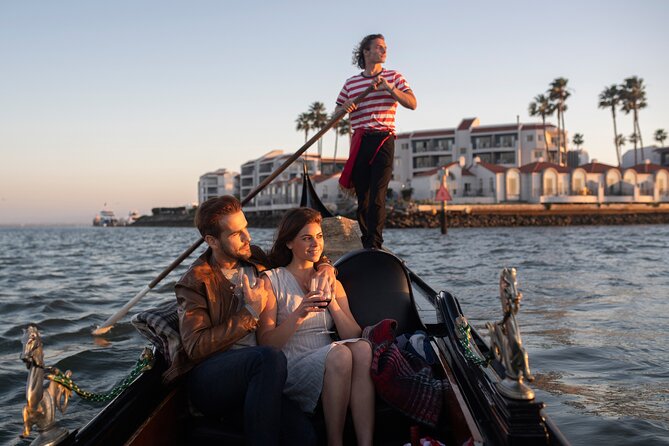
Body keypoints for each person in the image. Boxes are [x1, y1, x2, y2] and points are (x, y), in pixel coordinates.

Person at [164, 196, 336, 446]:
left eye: (246, 228)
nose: (248, 238)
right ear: (212, 241)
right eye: (237, 233)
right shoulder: (195, 282)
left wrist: (326, 266)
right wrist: (250, 313)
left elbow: (299, 257)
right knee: (268, 355)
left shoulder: (254, 257)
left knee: (305, 438)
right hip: (214, 379)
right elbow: (195, 347)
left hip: (262, 376)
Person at [257, 208, 375, 446]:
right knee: (340, 354)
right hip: (291, 363)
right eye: (307, 238)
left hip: (329, 358)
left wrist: (332, 303)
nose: (315, 244)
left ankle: (366, 443)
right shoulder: (271, 281)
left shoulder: (331, 280)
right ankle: (335, 442)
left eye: (319, 237)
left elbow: (353, 334)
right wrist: (300, 313)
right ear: (289, 243)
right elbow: (266, 343)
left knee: (362, 348)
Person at [335, 33, 417, 249]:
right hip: (361, 141)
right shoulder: (351, 83)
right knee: (363, 198)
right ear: (366, 51)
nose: (384, 51)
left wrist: (389, 88)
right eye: (379, 47)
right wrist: (346, 107)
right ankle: (366, 241)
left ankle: (375, 243)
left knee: (378, 196)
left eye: (385, 47)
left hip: (384, 139)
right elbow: (336, 114)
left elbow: (412, 103)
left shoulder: (395, 77)